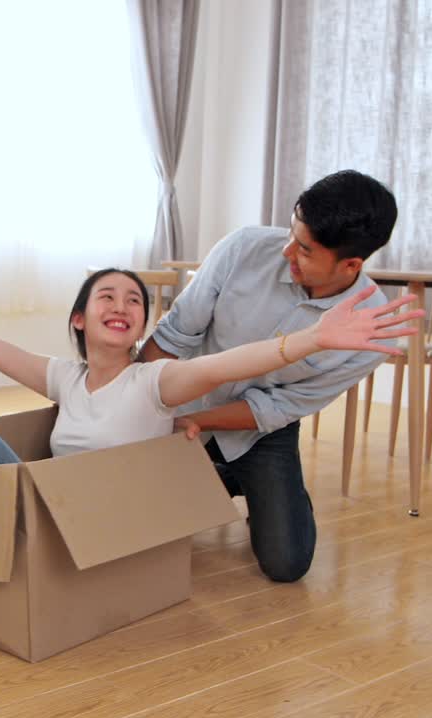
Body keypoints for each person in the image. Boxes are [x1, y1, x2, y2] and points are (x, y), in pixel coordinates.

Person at [0, 261, 420, 653]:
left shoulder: (156, 383)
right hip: (45, 510)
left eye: (135, 300)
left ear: (142, 325)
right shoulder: (64, 380)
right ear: (80, 320)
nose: (123, 305)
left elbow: (232, 362)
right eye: (107, 296)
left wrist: (312, 338)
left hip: (83, 520)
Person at [140, 169, 401, 583]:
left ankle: (243, 482)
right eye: (290, 236)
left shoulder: (370, 330)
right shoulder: (244, 248)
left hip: (256, 429)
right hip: (180, 401)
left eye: (305, 250)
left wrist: (197, 423)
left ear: (350, 264)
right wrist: (136, 409)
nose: (286, 253)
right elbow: (175, 334)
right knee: (140, 521)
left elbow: (278, 407)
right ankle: (215, 477)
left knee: (286, 563)